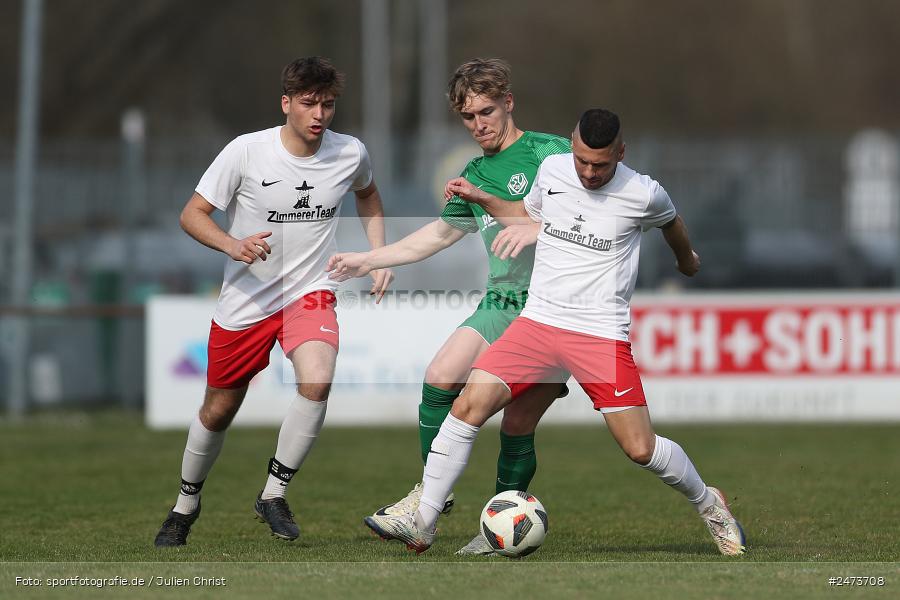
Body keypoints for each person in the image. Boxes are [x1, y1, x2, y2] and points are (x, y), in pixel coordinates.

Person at [366, 109, 748, 556]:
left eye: (600, 165)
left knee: (640, 448)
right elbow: (526, 214)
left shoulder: (644, 192)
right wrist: (483, 198)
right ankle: (424, 522)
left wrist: (686, 260)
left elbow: (672, 223)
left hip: (599, 333)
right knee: (469, 404)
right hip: (539, 323)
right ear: (572, 145)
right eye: (582, 161)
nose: (588, 173)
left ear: (620, 153)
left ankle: (710, 504)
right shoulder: (552, 170)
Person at [327, 58, 570, 555]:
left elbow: (577, 219)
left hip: (555, 308)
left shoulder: (551, 153)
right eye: (467, 116)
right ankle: (430, 497)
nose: (479, 124)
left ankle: (498, 527)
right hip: (501, 301)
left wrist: (493, 203)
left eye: (486, 111)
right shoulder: (474, 171)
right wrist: (368, 259)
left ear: (508, 102)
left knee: (519, 423)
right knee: (440, 375)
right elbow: (436, 237)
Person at [153, 56, 394, 547]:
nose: (319, 114)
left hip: (309, 293)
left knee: (318, 378)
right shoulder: (246, 152)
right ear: (286, 103)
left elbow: (368, 195)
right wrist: (232, 245)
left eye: (327, 104)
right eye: (308, 104)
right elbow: (192, 214)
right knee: (218, 411)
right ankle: (185, 505)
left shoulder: (350, 153)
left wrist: (380, 253)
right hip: (245, 302)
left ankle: (273, 493)